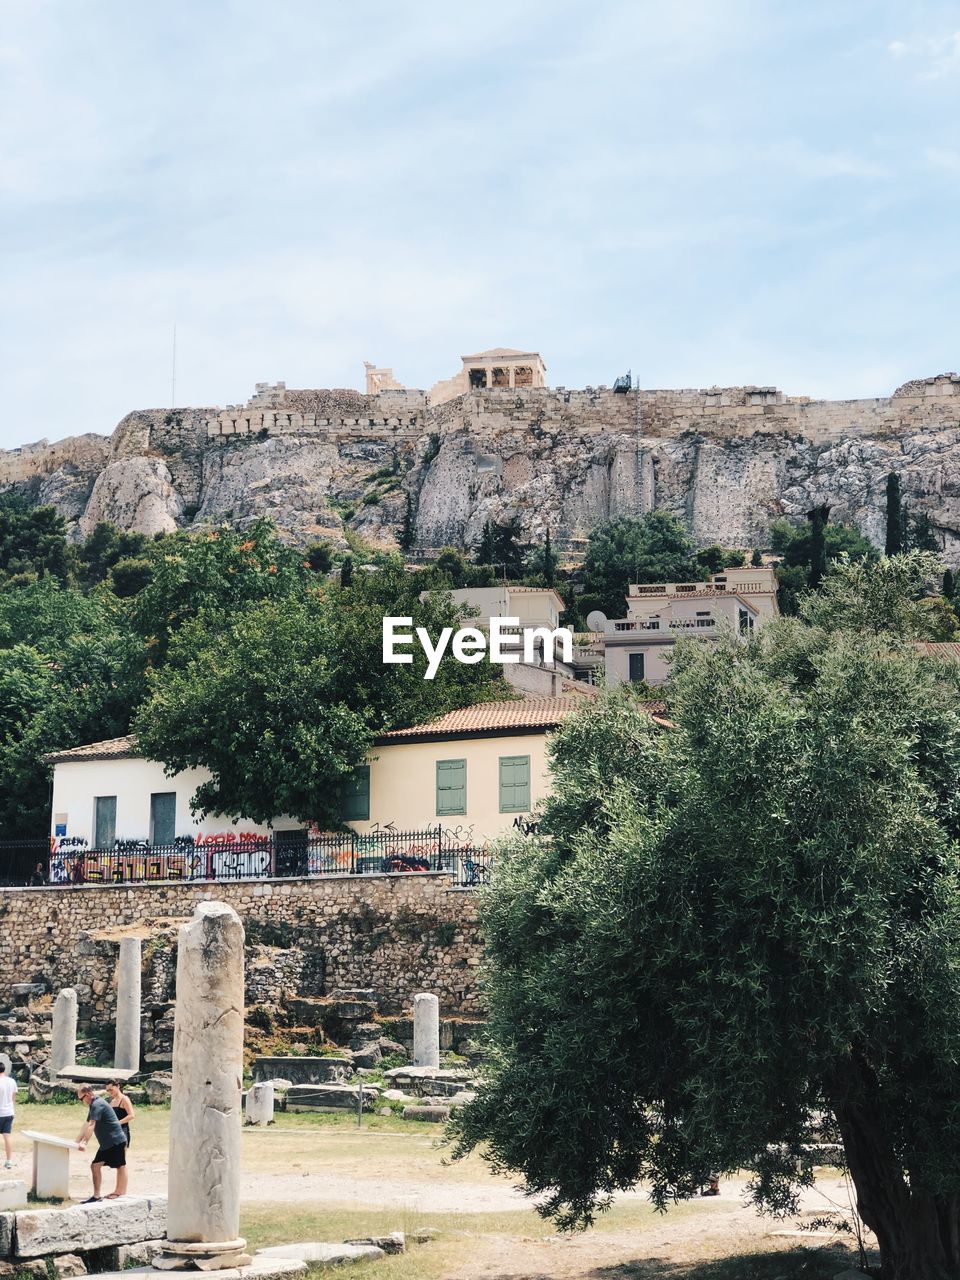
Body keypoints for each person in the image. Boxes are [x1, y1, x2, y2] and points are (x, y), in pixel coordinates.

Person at [75, 1084, 127, 1201]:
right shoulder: (94, 1104)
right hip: (107, 1144)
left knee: (119, 1166)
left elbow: (92, 1125)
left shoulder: (97, 1104)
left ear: (88, 1094)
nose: (81, 1101)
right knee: (96, 1166)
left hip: (115, 1142)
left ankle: (117, 1193)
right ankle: (97, 1195)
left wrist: (84, 1143)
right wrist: (77, 1140)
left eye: (81, 1098)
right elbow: (86, 1124)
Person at [104, 1080, 134, 1150]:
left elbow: (131, 1115)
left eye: (111, 1089)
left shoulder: (124, 1099)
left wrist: (117, 1123)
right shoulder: (111, 1100)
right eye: (108, 1090)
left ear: (118, 1086)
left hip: (122, 1133)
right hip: (111, 1134)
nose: (109, 1092)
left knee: (119, 1160)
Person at [0, 1062, 17, 1169]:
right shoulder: (12, 1081)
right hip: (9, 1112)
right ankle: (9, 1160)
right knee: (7, 1137)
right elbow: (13, 1098)